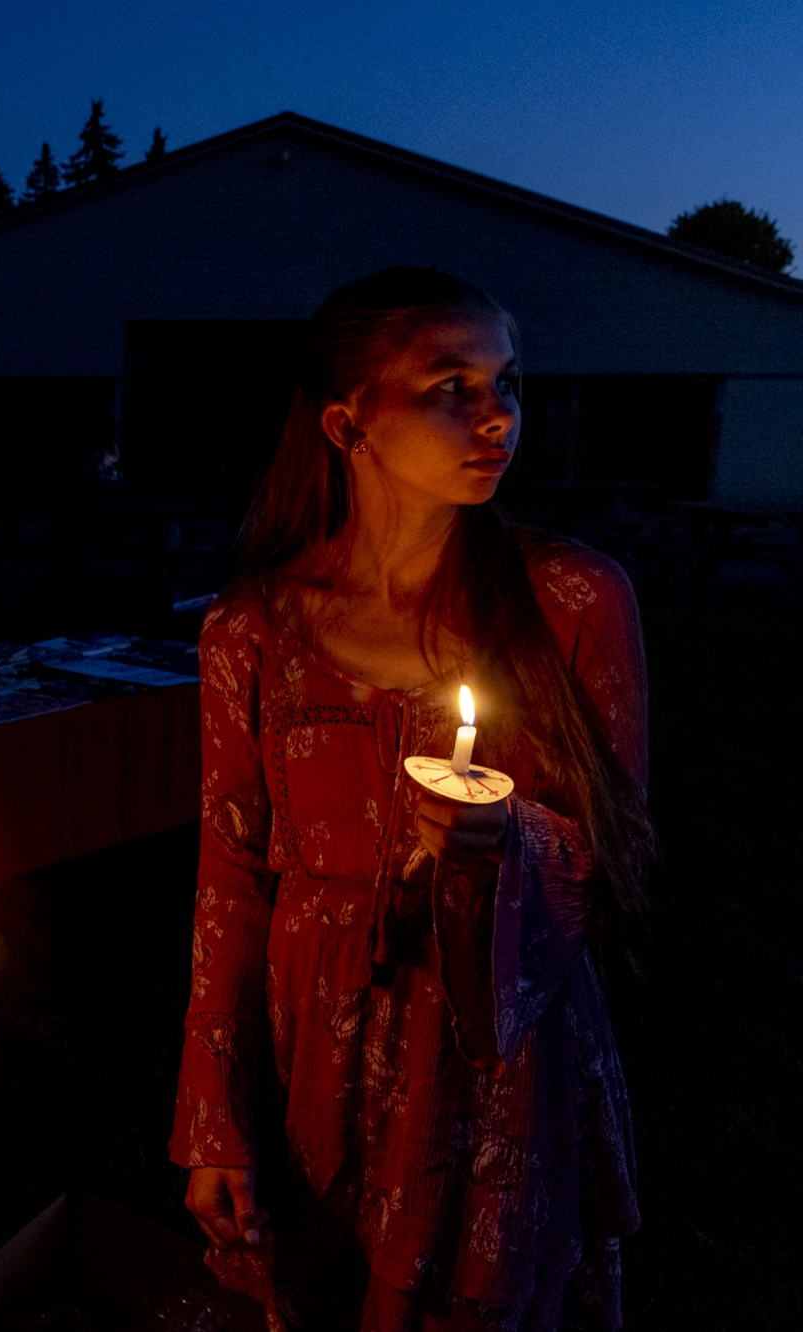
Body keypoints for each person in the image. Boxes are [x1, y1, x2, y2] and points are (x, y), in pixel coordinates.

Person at [170, 269, 653, 1330]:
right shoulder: (252, 630)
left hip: (492, 1058)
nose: (496, 415)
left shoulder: (570, 599)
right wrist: (210, 1110)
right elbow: (229, 877)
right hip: (312, 1049)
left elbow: (616, 856)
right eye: (449, 385)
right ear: (348, 424)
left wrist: (503, 841)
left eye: (505, 382)